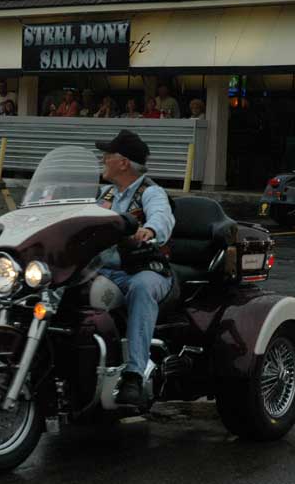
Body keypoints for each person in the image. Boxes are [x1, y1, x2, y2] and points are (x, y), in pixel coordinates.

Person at [95, 130, 175, 405]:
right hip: (105, 270)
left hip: (143, 270)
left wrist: (150, 230)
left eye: (108, 154)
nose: (103, 158)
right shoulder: (105, 194)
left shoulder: (151, 192)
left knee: (142, 288)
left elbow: (162, 217)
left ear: (124, 162)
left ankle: (134, 375)